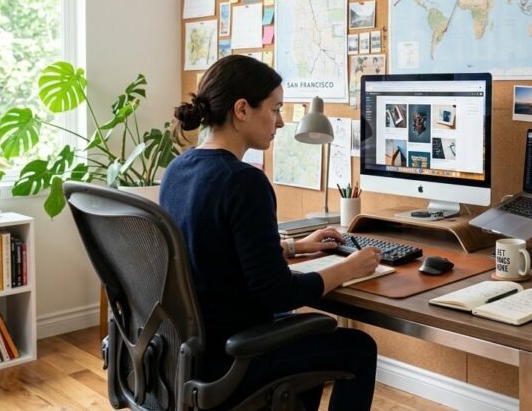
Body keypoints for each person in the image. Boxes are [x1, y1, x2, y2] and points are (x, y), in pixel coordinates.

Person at [161, 55, 381, 411]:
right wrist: (348, 268)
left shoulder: (178, 168)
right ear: (242, 109)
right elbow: (278, 293)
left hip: (189, 351)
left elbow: (212, 250)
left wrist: (295, 246)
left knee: (307, 332)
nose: (280, 121)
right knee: (357, 347)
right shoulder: (244, 181)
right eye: (275, 108)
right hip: (231, 355)